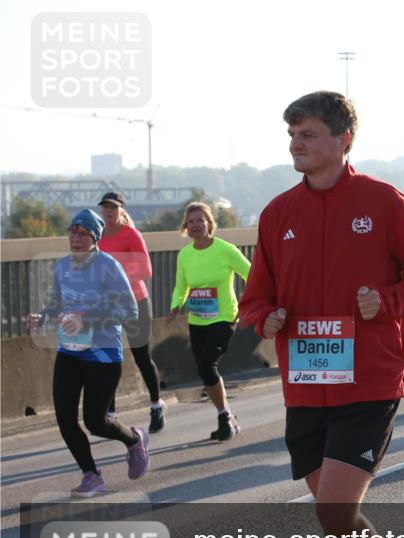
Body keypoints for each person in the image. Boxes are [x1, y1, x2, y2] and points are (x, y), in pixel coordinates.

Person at [239, 91, 404, 538]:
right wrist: (265, 317)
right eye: (292, 135)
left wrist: (386, 301)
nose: (295, 145)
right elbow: (254, 298)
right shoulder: (278, 214)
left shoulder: (383, 202)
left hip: (370, 383)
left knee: (332, 511)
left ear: (343, 139)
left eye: (306, 135)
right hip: (305, 387)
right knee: (338, 520)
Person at [29, 209, 149, 496]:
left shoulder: (109, 266)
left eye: (83, 233)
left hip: (103, 354)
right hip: (69, 351)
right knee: (65, 419)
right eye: (72, 232)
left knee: (95, 422)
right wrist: (43, 316)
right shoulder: (61, 267)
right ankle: (91, 475)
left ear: (95, 238)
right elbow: (58, 304)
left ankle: (134, 440)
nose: (76, 238)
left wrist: (88, 320)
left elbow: (129, 310)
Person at [167, 202, 251, 440]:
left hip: (224, 317)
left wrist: (247, 305)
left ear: (209, 224)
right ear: (186, 226)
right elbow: (182, 286)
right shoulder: (185, 255)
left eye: (200, 220)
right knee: (205, 373)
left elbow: (252, 274)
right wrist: (175, 305)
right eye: (191, 221)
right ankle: (226, 416)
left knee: (207, 366)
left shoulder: (225, 249)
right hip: (198, 320)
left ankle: (225, 418)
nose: (195, 225)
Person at [96, 191, 165, 432]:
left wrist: (119, 279)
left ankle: (156, 405)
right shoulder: (97, 235)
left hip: (135, 303)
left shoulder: (131, 235)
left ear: (122, 210)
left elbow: (146, 269)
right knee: (108, 358)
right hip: (108, 307)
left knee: (141, 357)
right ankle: (111, 414)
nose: (108, 211)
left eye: (113, 207)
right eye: (105, 207)